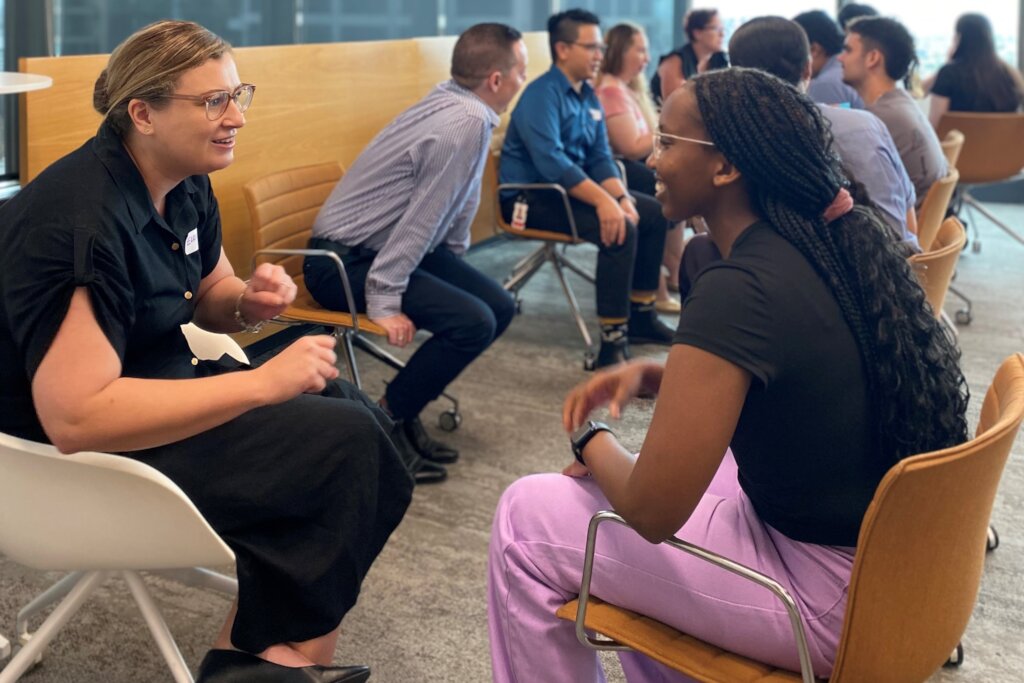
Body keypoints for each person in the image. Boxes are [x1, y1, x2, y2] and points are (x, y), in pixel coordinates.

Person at [487, 67, 968, 681]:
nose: (652, 160)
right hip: (889, 574)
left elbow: (653, 513)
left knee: (528, 513)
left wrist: (587, 437)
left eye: (666, 143)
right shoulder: (835, 242)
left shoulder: (738, 288)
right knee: (701, 471)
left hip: (818, 600)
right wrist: (675, 376)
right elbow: (811, 379)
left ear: (725, 167)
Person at [0, 21, 411, 683]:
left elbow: (206, 287)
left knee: (358, 421)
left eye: (238, 94)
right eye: (214, 101)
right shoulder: (82, 222)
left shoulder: (182, 178)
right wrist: (262, 383)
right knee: (343, 445)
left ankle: (260, 656)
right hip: (64, 462)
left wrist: (248, 300)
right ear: (144, 113)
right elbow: (77, 418)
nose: (238, 117)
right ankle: (267, 660)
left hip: (152, 390)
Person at [306, 24, 525, 484]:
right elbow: (421, 218)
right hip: (341, 265)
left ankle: (404, 410)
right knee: (472, 322)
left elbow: (455, 204)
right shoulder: (465, 119)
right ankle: (385, 421)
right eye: (520, 71)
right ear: (496, 81)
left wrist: (452, 266)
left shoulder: (459, 102)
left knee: (500, 306)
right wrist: (385, 301)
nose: (523, 80)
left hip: (382, 248)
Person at [500, 9, 673, 369]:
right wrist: (605, 204)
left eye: (601, 46)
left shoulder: (587, 96)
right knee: (620, 228)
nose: (599, 54)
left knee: (651, 212)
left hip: (570, 191)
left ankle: (640, 317)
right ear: (563, 49)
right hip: (531, 198)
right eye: (592, 46)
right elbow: (552, 164)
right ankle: (612, 344)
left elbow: (599, 158)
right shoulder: (541, 95)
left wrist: (621, 198)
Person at [733, 15, 918, 249]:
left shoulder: (743, 140)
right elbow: (909, 222)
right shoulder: (867, 122)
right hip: (903, 265)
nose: (840, 57)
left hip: (830, 275)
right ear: (808, 68)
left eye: (848, 50)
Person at [596, 22, 683, 314]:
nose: (646, 58)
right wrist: (668, 130)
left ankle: (673, 266)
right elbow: (631, 146)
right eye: (640, 50)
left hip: (625, 166)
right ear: (620, 50)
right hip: (619, 168)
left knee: (677, 178)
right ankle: (659, 281)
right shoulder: (610, 92)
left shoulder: (625, 89)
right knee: (669, 188)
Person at [840, 16, 948, 208]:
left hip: (897, 231)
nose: (840, 58)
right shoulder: (901, 105)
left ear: (873, 58)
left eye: (848, 50)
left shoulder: (882, 118)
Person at [926, 13, 1024, 127]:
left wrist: (948, 63)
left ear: (959, 38)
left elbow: (935, 125)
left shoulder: (948, 73)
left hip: (960, 145)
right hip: (1005, 145)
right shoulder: (1010, 73)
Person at [651, 8, 729, 105]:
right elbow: (676, 107)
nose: (722, 34)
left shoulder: (718, 59)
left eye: (722, 29)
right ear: (697, 33)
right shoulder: (676, 61)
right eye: (716, 29)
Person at [794, 10, 864, 108]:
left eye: (795, 51)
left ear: (814, 49)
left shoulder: (825, 84)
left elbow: (833, 123)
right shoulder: (842, 71)